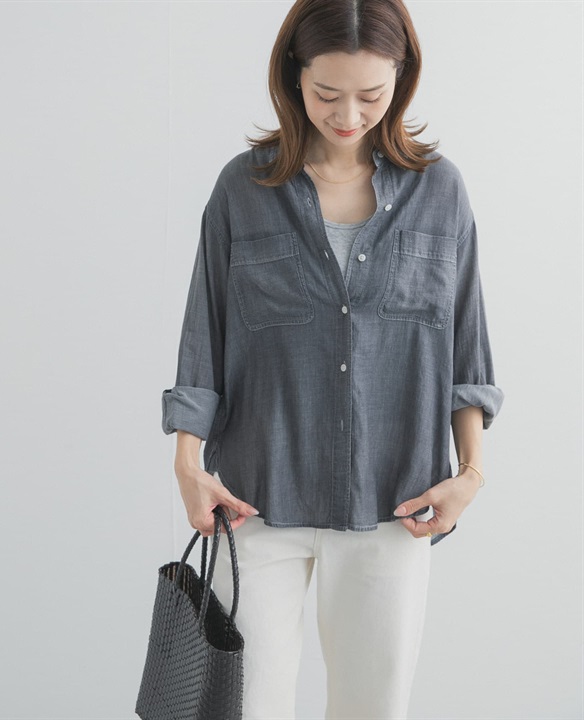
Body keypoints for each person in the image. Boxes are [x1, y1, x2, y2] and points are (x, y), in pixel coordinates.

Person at [161, 0, 505, 717]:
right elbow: (203, 339)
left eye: (371, 95)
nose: (348, 115)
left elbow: (467, 351)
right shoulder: (242, 189)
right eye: (327, 93)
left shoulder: (440, 191)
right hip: (256, 501)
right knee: (245, 707)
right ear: (294, 75)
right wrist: (187, 466)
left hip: (396, 500)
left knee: (373, 709)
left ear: (402, 79)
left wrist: (470, 474)